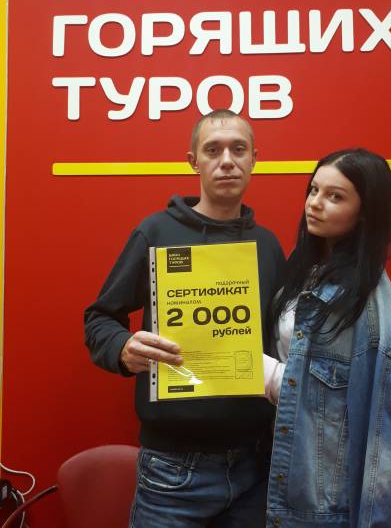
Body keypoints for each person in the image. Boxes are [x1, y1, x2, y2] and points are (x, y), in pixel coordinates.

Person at [84, 109, 285, 528]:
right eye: (213, 150)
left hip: (256, 465)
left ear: (254, 159)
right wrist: (122, 348)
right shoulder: (155, 233)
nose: (226, 161)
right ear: (194, 161)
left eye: (238, 149)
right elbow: (99, 318)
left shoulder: (267, 246)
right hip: (171, 471)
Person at [263, 149, 391, 528]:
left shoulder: (363, 300)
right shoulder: (303, 268)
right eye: (313, 190)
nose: (315, 204)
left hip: (323, 498)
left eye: (335, 196)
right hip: (280, 471)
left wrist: (266, 375)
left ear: (364, 213)